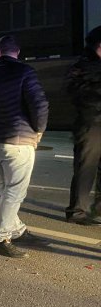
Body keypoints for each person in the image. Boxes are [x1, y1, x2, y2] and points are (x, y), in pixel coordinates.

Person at [0, 35, 50, 258]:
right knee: (15, 191)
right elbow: (40, 105)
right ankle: (1, 237)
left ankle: (16, 229)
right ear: (17, 52)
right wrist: (38, 131)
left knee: (4, 188)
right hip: (19, 140)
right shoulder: (25, 72)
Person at [65, 26, 101, 226]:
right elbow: (75, 93)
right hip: (90, 124)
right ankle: (77, 211)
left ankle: (98, 208)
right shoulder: (82, 66)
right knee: (86, 167)